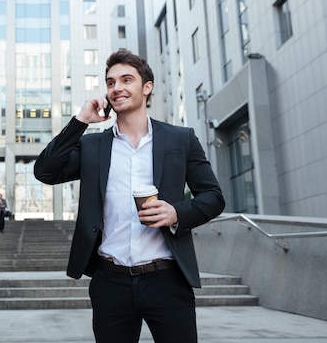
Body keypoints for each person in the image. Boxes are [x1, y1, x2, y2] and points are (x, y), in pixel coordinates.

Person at [34, 49, 225, 343]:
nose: (116, 88)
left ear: (146, 87)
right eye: (110, 83)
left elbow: (213, 196)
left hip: (168, 278)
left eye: (126, 80)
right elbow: (45, 171)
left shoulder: (180, 139)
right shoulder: (94, 147)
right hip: (110, 281)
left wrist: (176, 214)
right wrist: (81, 121)